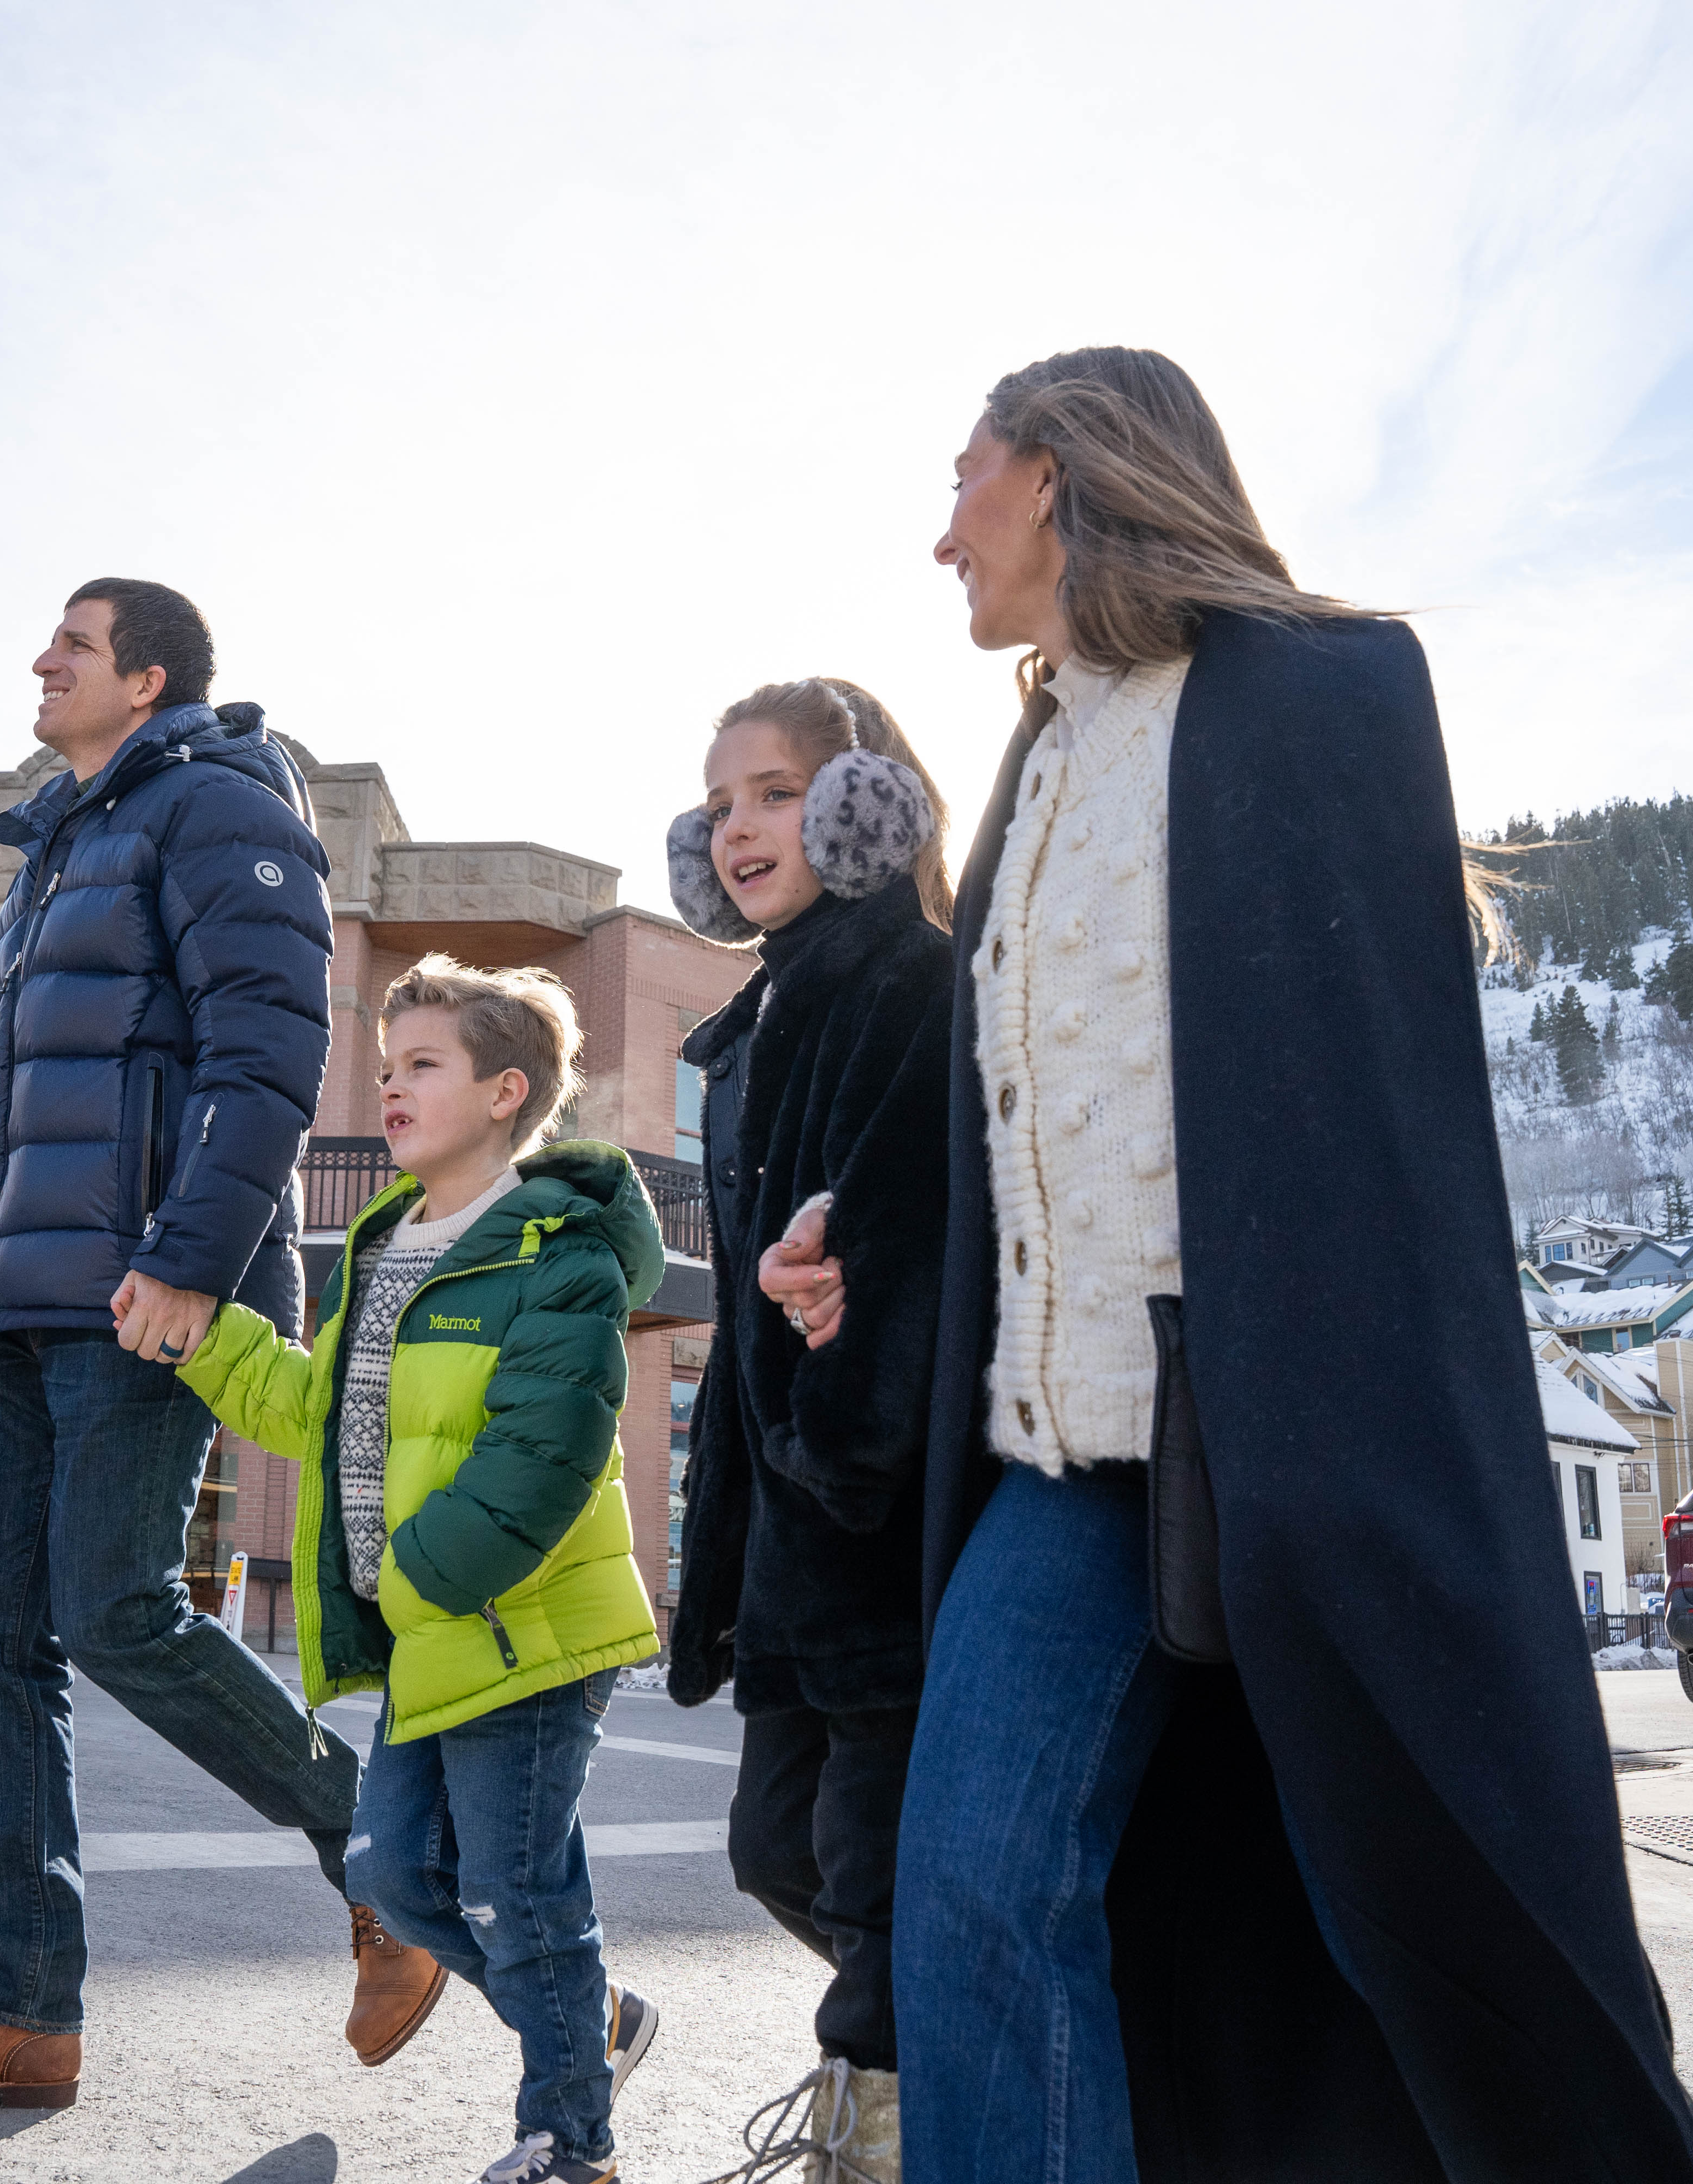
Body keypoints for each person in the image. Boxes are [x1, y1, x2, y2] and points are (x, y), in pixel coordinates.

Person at [780, 348, 1693, 2180]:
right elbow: (1015, 1131)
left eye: (962, 476)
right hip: (1059, 1463)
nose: (938, 536)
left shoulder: (1322, 695)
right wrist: (866, 1252)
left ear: (1054, 474)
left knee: (1415, 1927)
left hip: (1300, 1449)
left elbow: (1391, 1120)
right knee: (972, 1899)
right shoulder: (1036, 761)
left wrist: (1360, 1425)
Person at [0, 579, 428, 2115]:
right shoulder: (57, 849)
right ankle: (17, 2005)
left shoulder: (218, 807)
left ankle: (398, 1862)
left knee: (114, 1609)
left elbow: (271, 1055)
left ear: (143, 677)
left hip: (155, 1293)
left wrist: (191, 1266)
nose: (38, 660)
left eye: (70, 644)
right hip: (33, 1304)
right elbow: (18, 1125)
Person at [176, 957, 666, 2184]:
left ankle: (571, 2143)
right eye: (387, 1066)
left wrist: (414, 1574)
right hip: (432, 1632)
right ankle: (589, 2014)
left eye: (423, 1064)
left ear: (508, 1091)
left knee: (515, 1890)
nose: (390, 1085)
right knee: (393, 1872)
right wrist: (208, 1336)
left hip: (524, 1630)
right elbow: (320, 1407)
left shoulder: (558, 1249)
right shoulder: (385, 1244)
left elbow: (541, 1450)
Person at [662, 678, 954, 2183]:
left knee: (874, 1874)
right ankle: (961, 2055)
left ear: (865, 806)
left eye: (773, 792)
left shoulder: (914, 982)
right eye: (719, 806)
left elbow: (898, 1249)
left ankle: (885, 2126)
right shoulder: (754, 1022)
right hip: (781, 1524)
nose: (738, 827)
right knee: (778, 1850)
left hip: (872, 1520)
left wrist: (842, 1446)